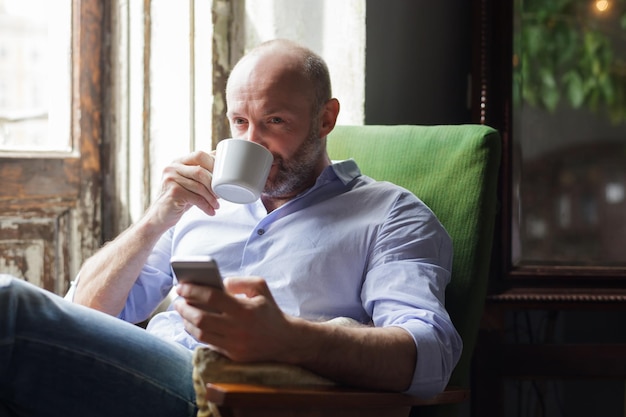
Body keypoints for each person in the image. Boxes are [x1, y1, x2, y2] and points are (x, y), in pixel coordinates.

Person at [0, 39, 462, 417]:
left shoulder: (389, 214)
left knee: (8, 307)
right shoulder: (200, 205)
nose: (251, 142)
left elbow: (431, 355)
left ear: (326, 118)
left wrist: (287, 338)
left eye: (274, 122)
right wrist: (155, 219)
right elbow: (86, 312)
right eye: (239, 122)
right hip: (150, 373)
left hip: (229, 396)